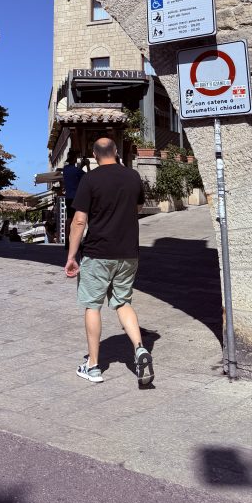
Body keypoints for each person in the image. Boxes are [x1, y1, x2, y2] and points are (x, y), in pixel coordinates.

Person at [64, 137, 153, 388]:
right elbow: (138, 207)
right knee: (122, 301)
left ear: (94, 154)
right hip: (128, 252)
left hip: (98, 252)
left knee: (93, 305)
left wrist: (72, 256)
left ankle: (93, 365)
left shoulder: (90, 179)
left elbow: (79, 221)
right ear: (116, 152)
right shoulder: (133, 177)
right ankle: (139, 349)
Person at [62, 150, 89, 246]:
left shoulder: (65, 169)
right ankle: (78, 241)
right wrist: (87, 165)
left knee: (69, 219)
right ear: (74, 159)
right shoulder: (77, 170)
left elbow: (75, 173)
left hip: (68, 197)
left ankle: (67, 241)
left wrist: (81, 166)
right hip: (77, 197)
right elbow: (87, 176)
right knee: (79, 220)